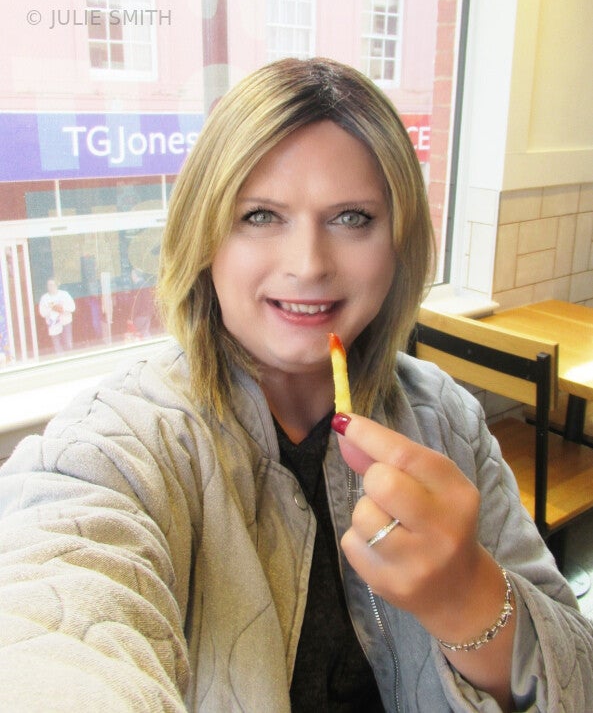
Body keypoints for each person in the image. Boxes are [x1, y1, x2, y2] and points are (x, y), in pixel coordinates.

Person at [0, 58, 592, 712]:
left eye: (352, 218)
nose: (309, 264)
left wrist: (468, 596)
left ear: (398, 243)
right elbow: (52, 612)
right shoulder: (121, 445)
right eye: (260, 216)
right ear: (204, 237)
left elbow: (579, 674)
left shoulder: (445, 416)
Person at [38, 277, 76, 353]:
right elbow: (42, 312)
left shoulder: (64, 294)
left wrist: (61, 308)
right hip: (53, 325)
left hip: (65, 323)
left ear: (56, 285)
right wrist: (52, 309)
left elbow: (72, 307)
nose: (51, 287)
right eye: (49, 285)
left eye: (52, 285)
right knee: (57, 348)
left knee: (68, 345)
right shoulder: (44, 298)